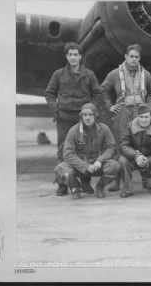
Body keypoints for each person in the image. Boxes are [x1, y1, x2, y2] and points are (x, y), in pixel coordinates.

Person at [45, 42, 102, 195]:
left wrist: (91, 110)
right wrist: (56, 108)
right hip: (64, 117)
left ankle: (85, 181)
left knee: (84, 150)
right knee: (62, 150)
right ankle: (62, 183)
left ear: (80, 56)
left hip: (83, 119)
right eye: (70, 54)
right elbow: (49, 93)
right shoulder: (58, 74)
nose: (73, 57)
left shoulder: (89, 74)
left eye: (76, 54)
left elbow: (97, 93)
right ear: (66, 56)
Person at [101, 43, 151, 191]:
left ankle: (146, 178)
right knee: (121, 144)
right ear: (125, 57)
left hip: (140, 112)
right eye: (131, 56)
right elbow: (103, 90)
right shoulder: (114, 74)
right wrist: (110, 107)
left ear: (139, 58)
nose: (134, 59)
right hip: (123, 112)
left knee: (143, 143)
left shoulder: (146, 74)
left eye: (136, 57)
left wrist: (149, 107)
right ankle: (116, 180)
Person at [54, 103, 121, 199]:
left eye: (90, 115)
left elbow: (112, 147)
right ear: (81, 117)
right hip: (80, 165)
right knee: (60, 169)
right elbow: (68, 154)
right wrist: (85, 166)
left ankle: (100, 187)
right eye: (84, 115)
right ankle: (75, 188)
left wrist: (100, 160)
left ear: (95, 115)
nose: (87, 118)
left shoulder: (104, 129)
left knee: (115, 166)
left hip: (97, 165)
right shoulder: (74, 131)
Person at [118, 104, 151, 198]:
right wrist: (136, 156)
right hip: (135, 158)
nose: (144, 120)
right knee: (122, 160)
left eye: (146, 117)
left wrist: (148, 160)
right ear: (137, 117)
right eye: (141, 117)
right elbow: (123, 145)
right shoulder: (130, 126)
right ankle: (127, 189)